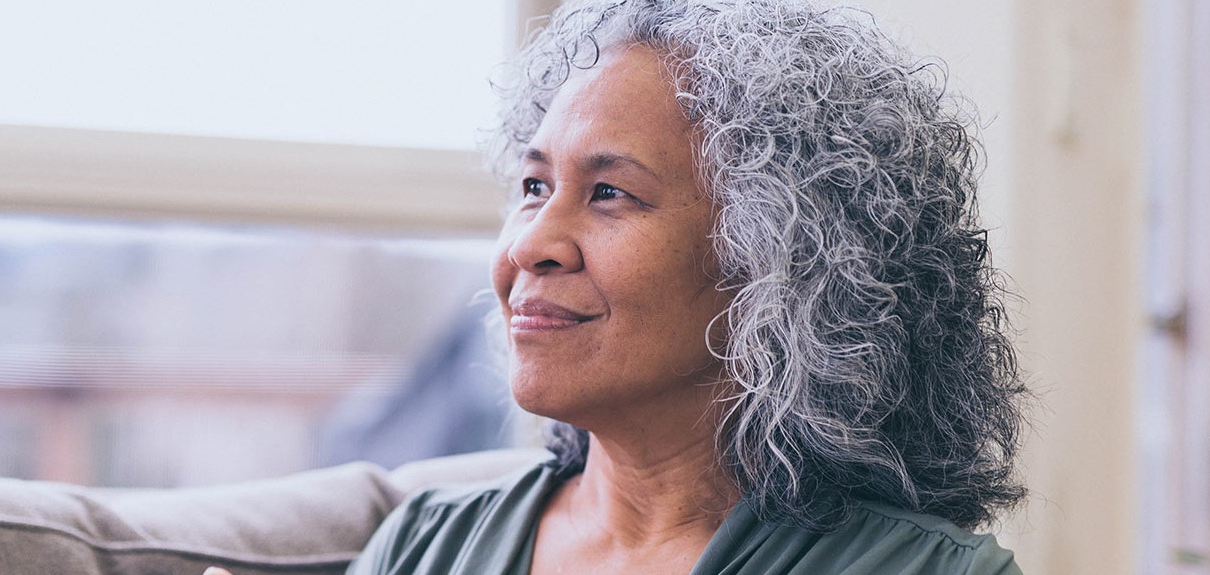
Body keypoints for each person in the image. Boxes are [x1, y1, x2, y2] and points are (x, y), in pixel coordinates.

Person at [230, 0, 1027, 573]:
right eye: (534, 185)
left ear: (779, 262)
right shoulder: (423, 544)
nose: (531, 244)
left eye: (610, 192)